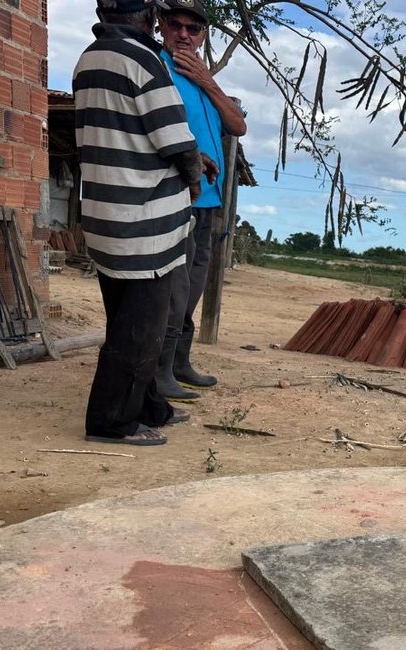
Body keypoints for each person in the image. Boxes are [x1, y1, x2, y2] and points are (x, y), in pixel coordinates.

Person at [75, 0, 204, 445]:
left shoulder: (90, 58)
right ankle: (112, 423)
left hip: (108, 214)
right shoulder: (142, 58)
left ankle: (150, 407)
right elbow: (173, 138)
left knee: (130, 320)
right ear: (149, 16)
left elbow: (126, 132)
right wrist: (193, 176)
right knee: (139, 330)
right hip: (143, 221)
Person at [152, 0, 247, 401]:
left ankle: (179, 362)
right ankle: (158, 373)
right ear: (162, 26)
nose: (184, 34)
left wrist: (208, 81)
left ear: (204, 34)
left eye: (194, 28)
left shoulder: (203, 79)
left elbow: (237, 125)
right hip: (175, 197)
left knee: (191, 289)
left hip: (208, 203)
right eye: (176, 25)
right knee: (172, 291)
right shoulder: (155, 67)